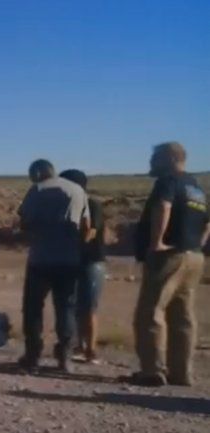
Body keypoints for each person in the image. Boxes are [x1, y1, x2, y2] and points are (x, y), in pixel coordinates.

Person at [125, 142, 209, 387]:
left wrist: (157, 242)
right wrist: (197, 246)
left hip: (169, 256)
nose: (151, 162)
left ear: (170, 158)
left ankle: (151, 370)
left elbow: (164, 206)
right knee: (183, 316)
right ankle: (181, 372)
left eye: (155, 157)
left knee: (150, 313)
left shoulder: (168, 181)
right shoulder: (195, 187)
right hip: (193, 256)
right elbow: (207, 223)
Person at [17, 159, 90, 373]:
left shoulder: (37, 189)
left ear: (38, 173)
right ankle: (65, 357)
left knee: (33, 309)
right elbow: (86, 227)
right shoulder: (77, 190)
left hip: (40, 258)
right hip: (69, 259)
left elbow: (24, 222)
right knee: (66, 308)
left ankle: (33, 356)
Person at [60, 169, 106, 364]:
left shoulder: (92, 205)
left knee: (89, 307)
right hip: (73, 261)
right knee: (76, 306)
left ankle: (91, 350)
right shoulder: (71, 205)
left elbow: (90, 233)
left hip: (90, 261)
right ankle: (80, 345)